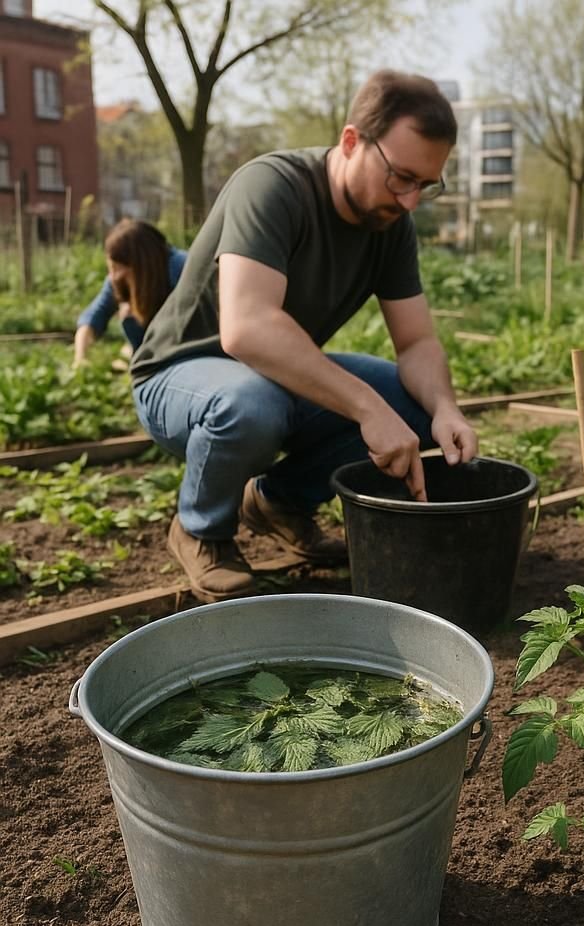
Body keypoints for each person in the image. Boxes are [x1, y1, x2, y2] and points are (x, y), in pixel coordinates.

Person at [130, 69, 478, 604]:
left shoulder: (390, 226)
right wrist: (365, 408)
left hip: (270, 377)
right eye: (401, 177)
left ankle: (279, 504)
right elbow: (246, 329)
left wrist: (446, 409)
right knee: (253, 404)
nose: (410, 200)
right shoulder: (272, 187)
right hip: (178, 376)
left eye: (426, 185)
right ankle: (200, 529)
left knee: (413, 405)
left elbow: (416, 343)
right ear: (350, 141)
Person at [74, 219, 187, 368]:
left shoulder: (182, 268)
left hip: (185, 346)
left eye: (118, 268)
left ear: (140, 263)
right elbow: (94, 316)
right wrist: (80, 358)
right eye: (111, 268)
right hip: (152, 347)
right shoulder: (118, 279)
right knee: (128, 312)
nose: (113, 276)